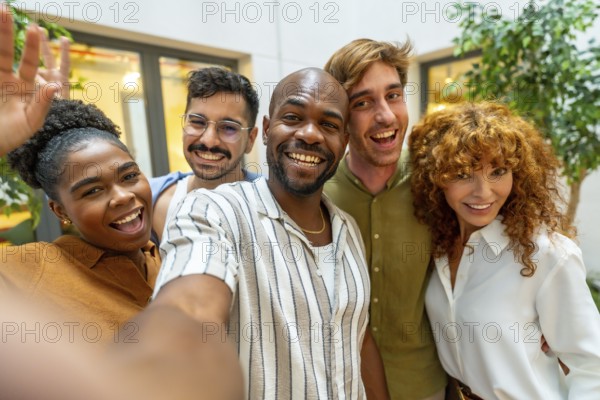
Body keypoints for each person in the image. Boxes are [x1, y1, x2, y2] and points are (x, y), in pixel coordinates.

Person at [124, 67, 388, 399]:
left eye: (329, 125)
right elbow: (191, 308)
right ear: (265, 131)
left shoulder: (347, 228)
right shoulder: (213, 211)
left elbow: (358, 337)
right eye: (292, 117)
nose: (310, 134)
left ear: (344, 142)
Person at [409, 101, 600, 399]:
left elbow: (592, 370)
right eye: (462, 174)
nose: (483, 192)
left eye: (498, 171)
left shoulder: (546, 254)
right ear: (436, 178)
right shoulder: (436, 246)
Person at [324, 39, 447, 399]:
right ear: (340, 117)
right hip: (342, 387)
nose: (386, 116)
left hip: (423, 384)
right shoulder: (316, 194)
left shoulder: (438, 179)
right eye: (363, 103)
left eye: (393, 95)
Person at [1, 98, 159, 342]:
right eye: (93, 191)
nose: (122, 196)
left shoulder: (171, 258)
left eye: (129, 176)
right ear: (60, 211)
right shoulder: (35, 268)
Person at [150, 67, 260, 244]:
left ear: (250, 139)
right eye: (197, 122)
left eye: (229, 127)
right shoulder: (152, 202)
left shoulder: (274, 205)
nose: (209, 141)